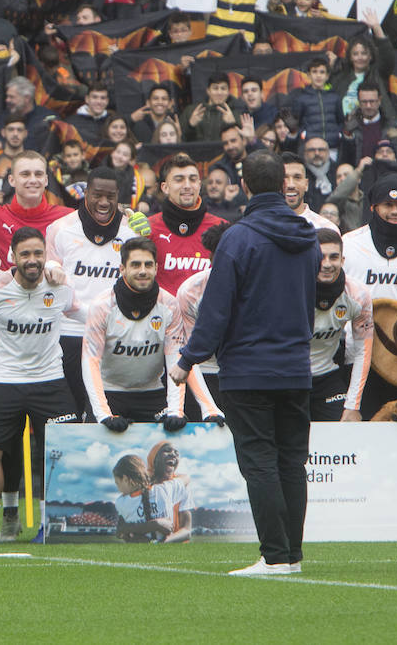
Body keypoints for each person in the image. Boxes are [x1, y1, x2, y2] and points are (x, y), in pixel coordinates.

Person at [170, 150, 320, 575]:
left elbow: (215, 310)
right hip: (295, 366)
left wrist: (187, 359)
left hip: (249, 369)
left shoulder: (237, 237)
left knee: (260, 463)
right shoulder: (308, 236)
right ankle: (290, 555)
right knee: (292, 462)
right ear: (282, 185)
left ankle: (274, 556)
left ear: (247, 186)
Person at [0, 226, 82, 544]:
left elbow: (87, 315)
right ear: (12, 257)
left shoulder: (61, 287)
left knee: (57, 455)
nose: (32, 260)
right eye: (25, 254)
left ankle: (49, 525)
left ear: (46, 256)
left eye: (38, 253)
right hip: (7, 381)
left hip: (51, 381)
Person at [46, 168, 145, 420]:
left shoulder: (130, 230)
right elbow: (49, 274)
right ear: (85, 193)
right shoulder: (60, 228)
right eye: (97, 195)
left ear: (118, 196)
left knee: (105, 411)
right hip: (69, 333)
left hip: (113, 334)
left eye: (110, 196)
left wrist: (147, 235)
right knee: (70, 413)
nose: (103, 202)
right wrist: (51, 268)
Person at [82, 236, 187, 426]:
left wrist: (175, 411)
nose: (143, 271)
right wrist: (103, 414)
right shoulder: (102, 306)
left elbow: (176, 361)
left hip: (151, 392)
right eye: (136, 265)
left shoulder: (170, 304)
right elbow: (90, 361)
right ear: (122, 269)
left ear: (156, 268)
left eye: (148, 265)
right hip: (109, 391)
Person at [309, 229, 374, 421]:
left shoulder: (358, 294)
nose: (327, 264)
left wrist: (353, 405)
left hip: (327, 377)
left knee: (345, 433)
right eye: (320, 257)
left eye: (334, 257)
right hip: (290, 380)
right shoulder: (290, 290)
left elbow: (363, 351)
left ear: (343, 261)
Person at [342, 174, 397, 312]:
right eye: (388, 205)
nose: (394, 211)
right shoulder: (349, 242)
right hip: (359, 332)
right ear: (373, 207)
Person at [149, 153, 227, 293]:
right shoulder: (149, 228)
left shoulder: (222, 228)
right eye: (179, 180)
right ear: (165, 187)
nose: (187, 185)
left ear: (199, 184)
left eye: (192, 179)